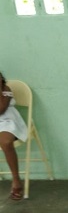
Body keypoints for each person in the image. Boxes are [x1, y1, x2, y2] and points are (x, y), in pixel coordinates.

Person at [0, 71, 27, 201]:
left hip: (8, 121)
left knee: (5, 142)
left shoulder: (6, 89)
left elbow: (1, 109)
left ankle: (16, 179)